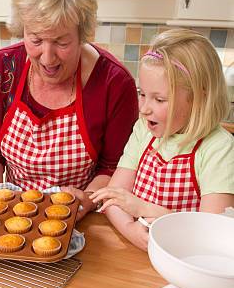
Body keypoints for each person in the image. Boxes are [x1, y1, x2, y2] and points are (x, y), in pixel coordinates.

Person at [0, 0, 138, 217]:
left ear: (82, 31)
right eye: (35, 40)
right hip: (11, 213)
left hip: (84, 220)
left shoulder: (114, 84)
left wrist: (86, 199)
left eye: (61, 42)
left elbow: (114, 168)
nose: (47, 58)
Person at [90, 28, 234, 250]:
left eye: (159, 99)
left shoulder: (218, 148)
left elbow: (212, 236)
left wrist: (145, 209)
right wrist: (130, 230)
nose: (145, 109)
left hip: (186, 260)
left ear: (199, 99)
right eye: (142, 94)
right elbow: (113, 198)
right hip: (137, 253)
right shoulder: (143, 130)